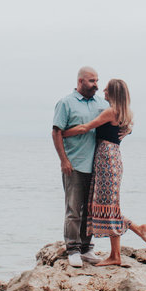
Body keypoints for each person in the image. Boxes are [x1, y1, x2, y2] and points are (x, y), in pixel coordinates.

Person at [63, 78, 146, 266]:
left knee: (107, 207)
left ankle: (129, 237)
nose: (103, 92)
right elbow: (126, 129)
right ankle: (118, 251)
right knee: (107, 206)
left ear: (113, 93)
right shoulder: (125, 113)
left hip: (106, 159)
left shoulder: (111, 112)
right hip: (113, 157)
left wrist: (62, 133)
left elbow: (85, 128)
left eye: (106, 90)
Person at [53, 66, 108, 267]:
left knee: (90, 211)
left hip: (97, 166)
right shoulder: (66, 103)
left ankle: (86, 249)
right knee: (73, 210)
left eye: (97, 80)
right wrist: (64, 160)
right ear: (80, 82)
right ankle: (73, 249)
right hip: (74, 165)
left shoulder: (102, 103)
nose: (96, 85)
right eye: (92, 81)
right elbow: (56, 132)